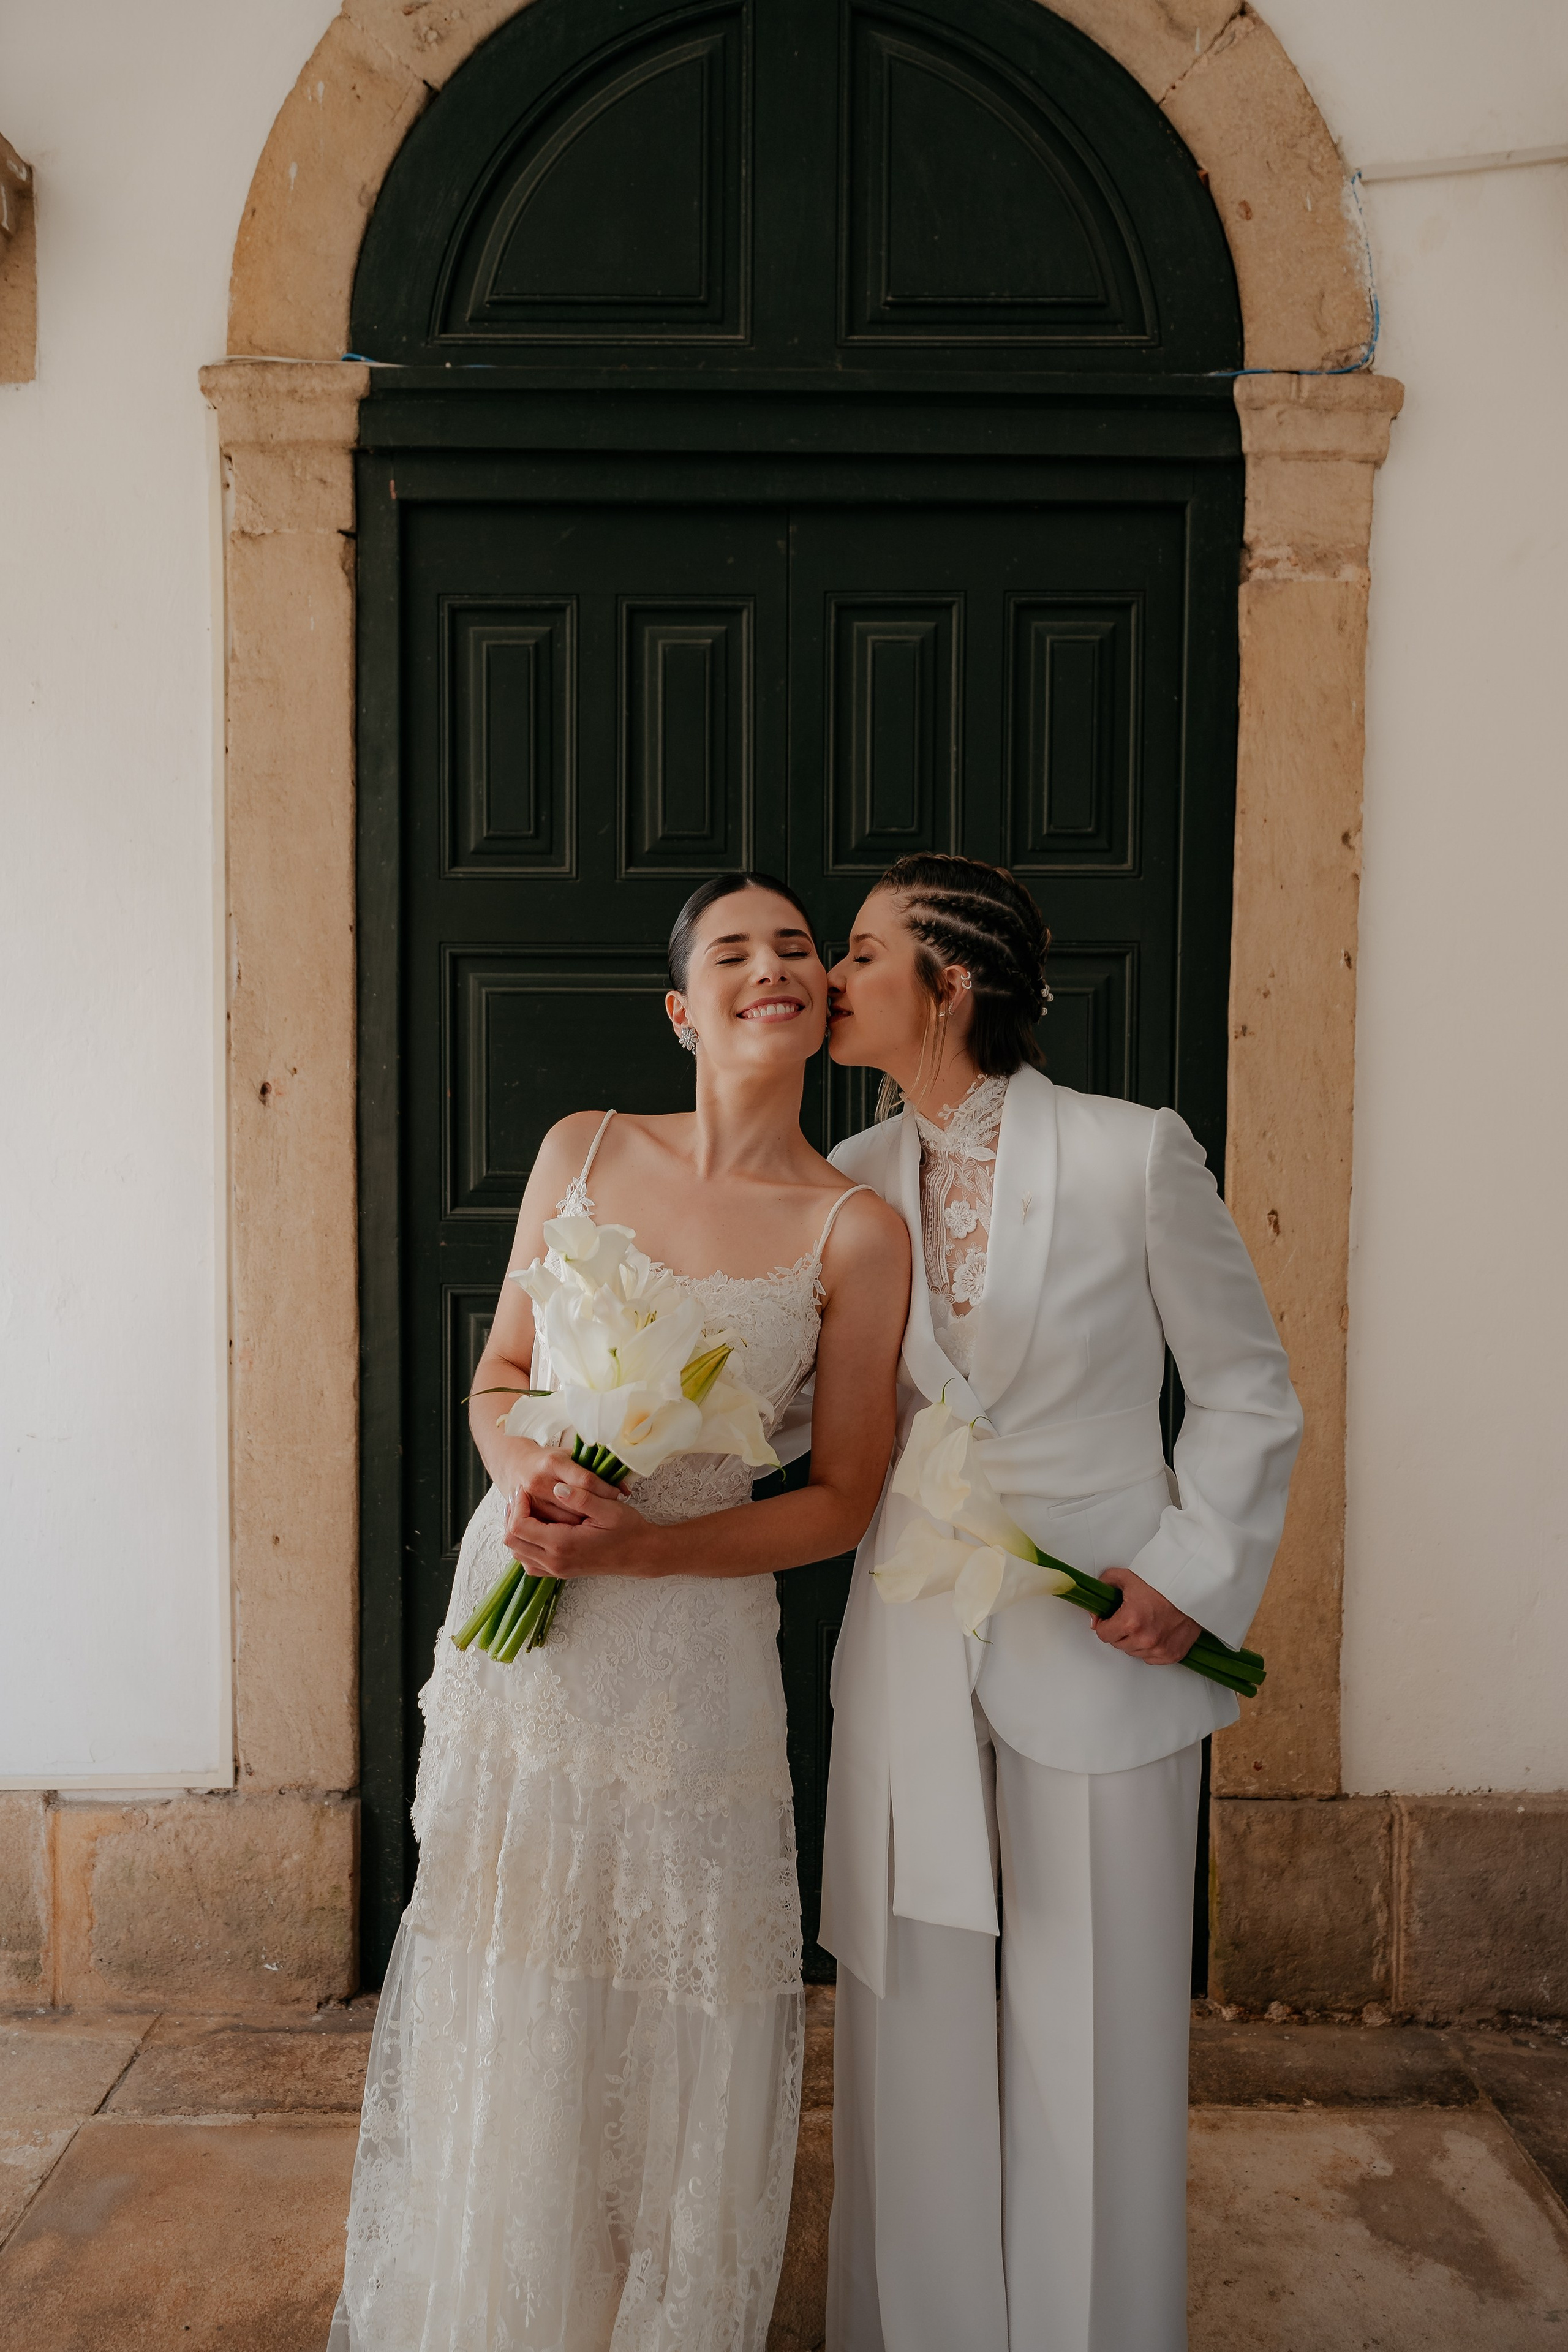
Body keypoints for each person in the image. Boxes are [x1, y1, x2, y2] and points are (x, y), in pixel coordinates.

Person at [331, 873, 910, 2352]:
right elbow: (499, 1377)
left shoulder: (853, 1230)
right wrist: (526, 1473)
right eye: (735, 950)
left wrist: (645, 1551)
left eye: (797, 948)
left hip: (687, 1646)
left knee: (670, 1985)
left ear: (823, 1002)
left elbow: (842, 1497)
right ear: (681, 1010)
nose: (773, 966)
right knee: (511, 1956)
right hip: (526, 1594)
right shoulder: (582, 1148)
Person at [818, 853, 1302, 2352]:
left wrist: (1190, 1576)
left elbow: (1244, 1388)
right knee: (909, 2018)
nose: (827, 977)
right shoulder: (844, 1174)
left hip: (1108, 1639)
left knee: (1095, 2029)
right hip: (910, 1637)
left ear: (949, 981)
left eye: (861, 951)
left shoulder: (1130, 1152)